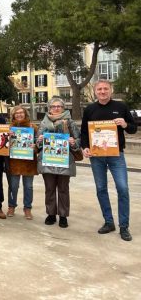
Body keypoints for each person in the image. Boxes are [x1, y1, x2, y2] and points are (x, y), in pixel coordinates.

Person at [81, 80, 137, 241]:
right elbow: (84, 131)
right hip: (96, 156)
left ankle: (124, 226)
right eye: (99, 89)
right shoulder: (90, 109)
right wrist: (85, 147)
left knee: (123, 188)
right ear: (95, 91)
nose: (103, 91)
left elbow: (133, 129)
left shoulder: (121, 107)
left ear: (111, 91)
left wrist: (125, 124)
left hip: (116, 155)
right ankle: (109, 221)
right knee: (101, 189)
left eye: (106, 89)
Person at [37, 98, 80, 228]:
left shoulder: (70, 122)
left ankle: (63, 216)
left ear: (63, 108)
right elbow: (37, 143)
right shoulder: (44, 123)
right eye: (53, 106)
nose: (56, 108)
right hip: (48, 161)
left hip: (64, 161)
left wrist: (74, 142)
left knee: (63, 189)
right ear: (49, 108)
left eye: (59, 106)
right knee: (49, 189)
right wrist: (39, 140)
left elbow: (78, 139)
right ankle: (50, 214)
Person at [6, 105, 38, 220]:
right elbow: (3, 144)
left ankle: (27, 208)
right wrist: (7, 141)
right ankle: (11, 206)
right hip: (14, 162)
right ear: (13, 115)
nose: (19, 115)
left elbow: (39, 143)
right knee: (13, 186)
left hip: (28, 162)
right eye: (16, 113)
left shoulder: (33, 127)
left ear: (25, 114)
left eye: (21, 112)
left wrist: (35, 146)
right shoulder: (9, 128)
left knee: (28, 187)